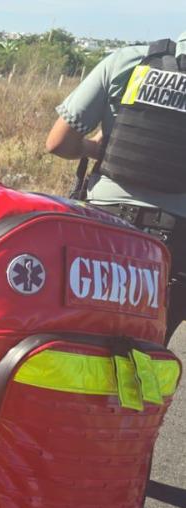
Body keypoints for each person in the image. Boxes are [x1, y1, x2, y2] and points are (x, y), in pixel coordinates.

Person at [46, 32, 186, 341]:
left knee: (78, 340)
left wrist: (98, 149)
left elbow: (58, 142)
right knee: (149, 353)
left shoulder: (128, 59)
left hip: (104, 228)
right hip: (177, 243)